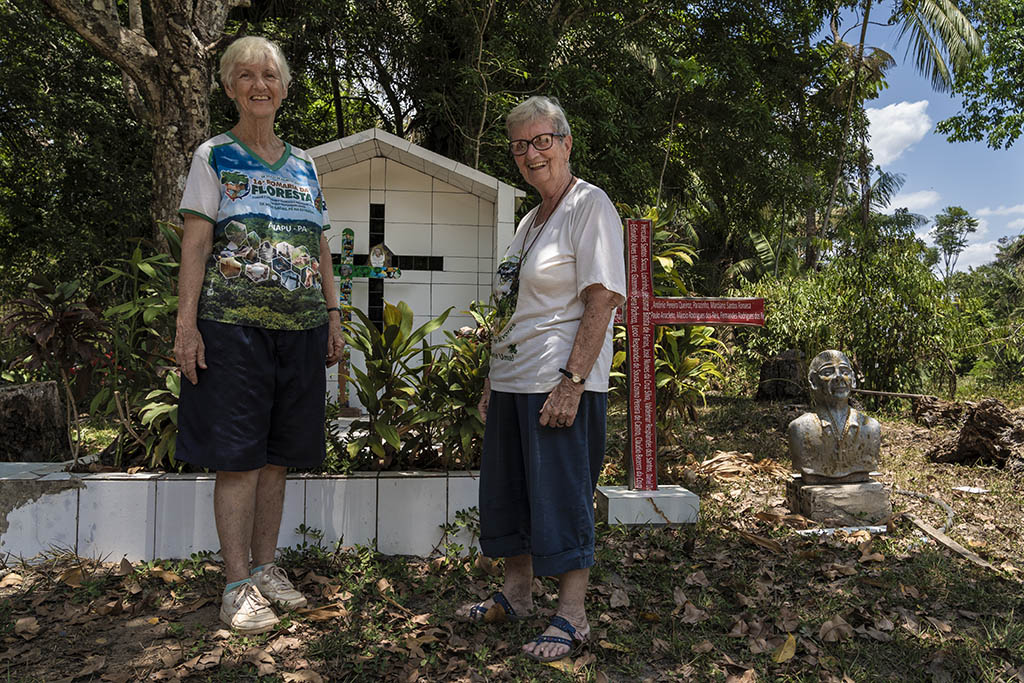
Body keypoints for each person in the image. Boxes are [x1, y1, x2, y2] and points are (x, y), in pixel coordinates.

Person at [174, 36, 343, 634]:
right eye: (245, 76)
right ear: (228, 88)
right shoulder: (212, 155)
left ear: (284, 88)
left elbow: (319, 242)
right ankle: (236, 584)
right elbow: (195, 243)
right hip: (232, 329)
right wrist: (186, 325)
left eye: (269, 76)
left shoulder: (304, 161)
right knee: (239, 460)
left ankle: (267, 568)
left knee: (278, 460)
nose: (259, 85)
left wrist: (333, 314)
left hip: (299, 329)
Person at [456, 96, 626, 662]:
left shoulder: (589, 205)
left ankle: (572, 616)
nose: (532, 153)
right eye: (520, 145)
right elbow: (511, 305)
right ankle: (517, 594)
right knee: (513, 494)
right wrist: (490, 377)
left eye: (542, 141)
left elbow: (601, 299)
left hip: (558, 381)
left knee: (560, 496)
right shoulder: (530, 221)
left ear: (566, 142)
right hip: (512, 379)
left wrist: (573, 380)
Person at [788, 350, 881, 483]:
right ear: (813, 381)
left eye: (844, 372)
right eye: (828, 372)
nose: (839, 377)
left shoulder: (871, 428)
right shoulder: (800, 429)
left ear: (853, 380)